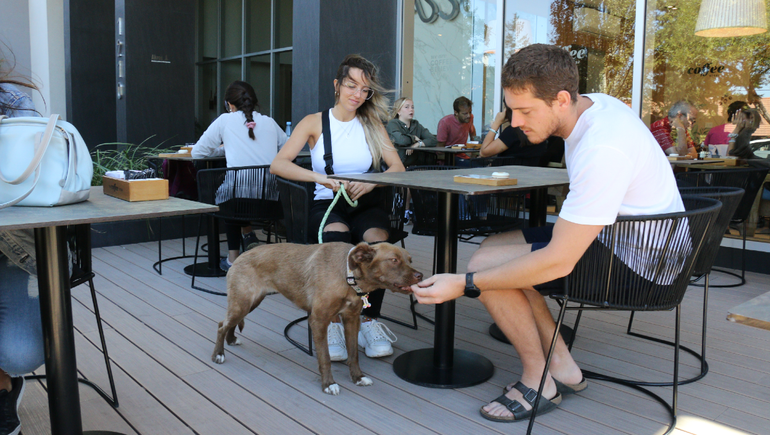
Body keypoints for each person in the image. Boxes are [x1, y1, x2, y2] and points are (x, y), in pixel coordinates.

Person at [411, 43, 683, 423]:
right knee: (495, 250)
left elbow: (557, 261)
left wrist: (464, 284)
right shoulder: (595, 104)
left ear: (560, 100)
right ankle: (563, 366)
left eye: (525, 111)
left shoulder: (602, 147)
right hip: (633, 238)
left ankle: (539, 381)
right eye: (512, 111)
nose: (516, 123)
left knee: (488, 270)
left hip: (641, 265)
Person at [270, 54, 405, 360]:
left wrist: (372, 182)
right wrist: (319, 177)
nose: (357, 94)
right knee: (336, 245)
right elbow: (278, 165)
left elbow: (397, 167)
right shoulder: (314, 123)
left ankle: (367, 317)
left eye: (364, 89)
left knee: (377, 247)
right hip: (328, 203)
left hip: (367, 202)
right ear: (337, 85)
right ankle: (333, 320)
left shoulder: (372, 123)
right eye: (351, 85)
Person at [192, 81, 287, 271]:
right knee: (235, 188)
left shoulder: (225, 121)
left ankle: (233, 259)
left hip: (236, 203)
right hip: (270, 200)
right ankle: (249, 236)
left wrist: (223, 150)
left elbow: (197, 152)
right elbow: (288, 148)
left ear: (229, 104)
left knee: (229, 190)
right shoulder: (269, 122)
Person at [0, 49, 44, 435]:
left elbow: (38, 183)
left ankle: (6, 377)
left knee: (20, 354)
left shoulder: (11, 104)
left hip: (10, 249)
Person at [479, 107, 564, 166]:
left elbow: (484, 152)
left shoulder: (513, 132)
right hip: (528, 182)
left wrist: (496, 123)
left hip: (503, 180)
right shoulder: (541, 130)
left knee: (468, 164)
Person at [386, 97, 437, 167]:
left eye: (412, 107)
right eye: (407, 107)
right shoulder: (393, 124)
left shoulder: (416, 124)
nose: (411, 110)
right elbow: (401, 140)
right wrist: (413, 138)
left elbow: (433, 140)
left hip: (415, 167)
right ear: (398, 111)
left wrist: (418, 144)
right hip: (397, 166)